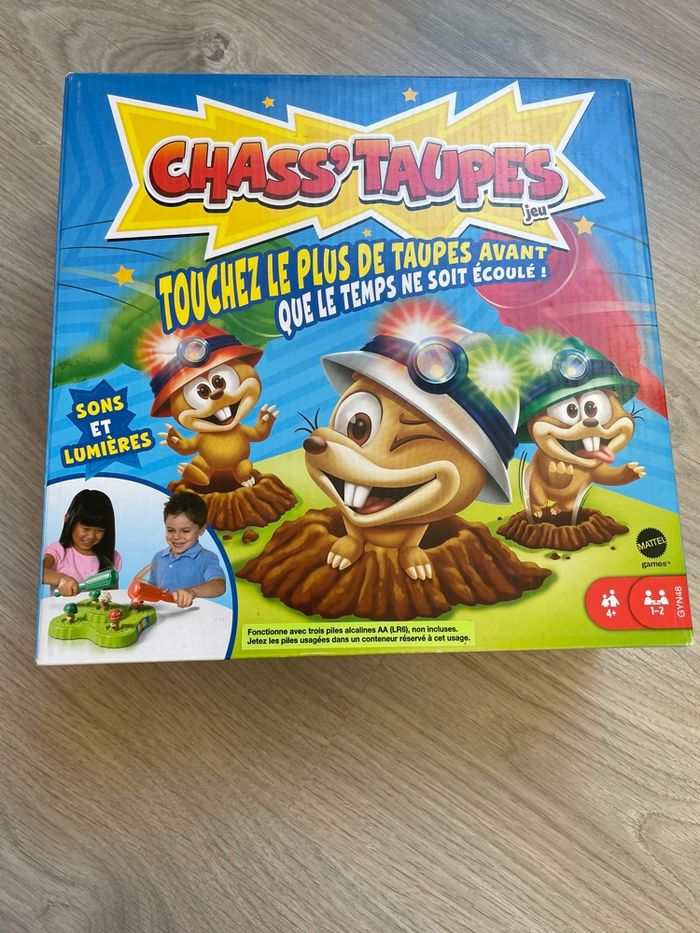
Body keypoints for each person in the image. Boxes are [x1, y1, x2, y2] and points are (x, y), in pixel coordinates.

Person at [135, 491, 226, 609]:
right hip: (162, 615)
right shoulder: (158, 557)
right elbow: (150, 587)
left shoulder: (206, 558)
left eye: (186, 531)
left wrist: (192, 592)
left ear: (202, 529)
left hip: (193, 616)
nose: (177, 536)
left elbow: (219, 585)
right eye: (171, 530)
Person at [43, 489, 122, 596]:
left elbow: (113, 596)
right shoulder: (58, 551)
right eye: (86, 528)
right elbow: (40, 571)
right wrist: (61, 578)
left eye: (99, 530)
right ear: (68, 519)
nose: (91, 536)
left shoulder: (112, 557)